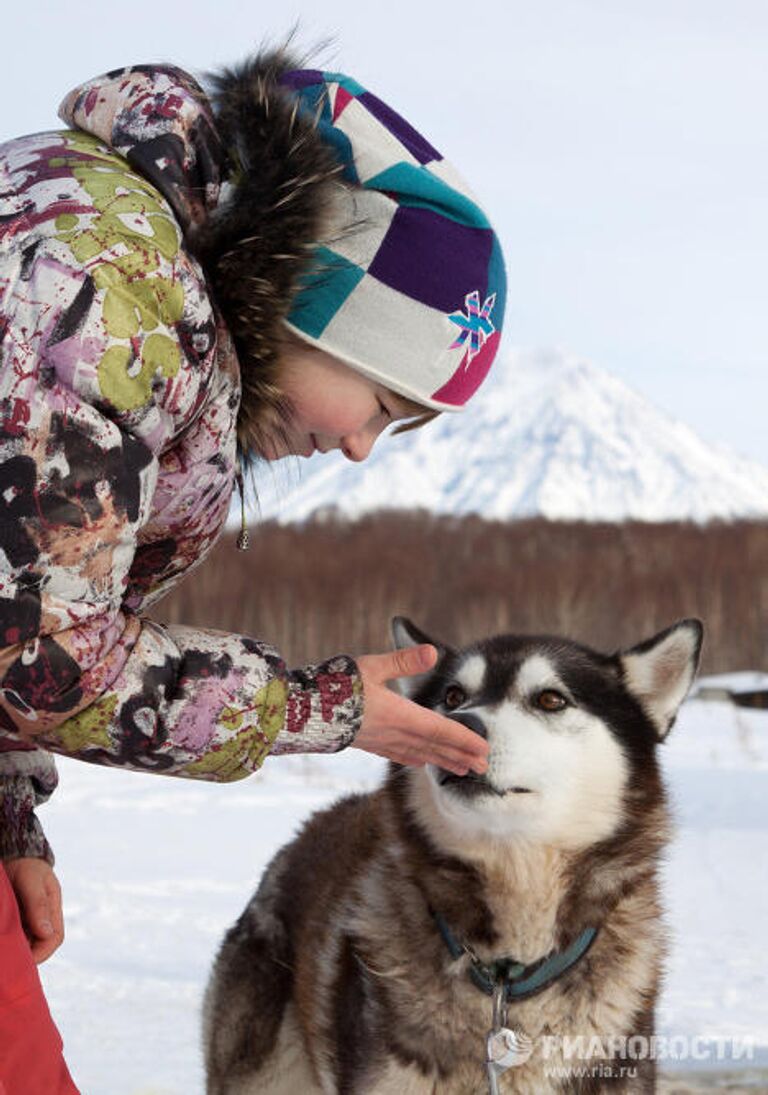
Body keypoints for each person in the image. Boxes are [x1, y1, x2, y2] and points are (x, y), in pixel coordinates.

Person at [0, 46, 506, 1090]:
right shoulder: (107, 287)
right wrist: (323, 707)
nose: (366, 445)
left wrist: (5, 809)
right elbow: (41, 656)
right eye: (385, 402)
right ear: (314, 300)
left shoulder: (107, 246)